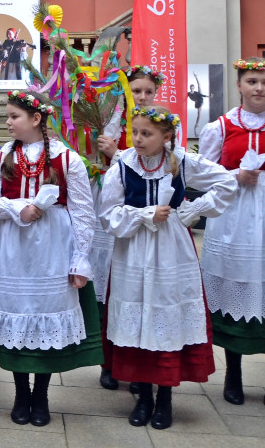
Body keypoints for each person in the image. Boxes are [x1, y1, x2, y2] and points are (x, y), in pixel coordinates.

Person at [0, 90, 101, 427]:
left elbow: (84, 212)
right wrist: (17, 209)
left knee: (45, 316)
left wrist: (81, 259)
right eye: (8, 116)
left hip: (52, 249)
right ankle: (20, 392)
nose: (8, 122)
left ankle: (40, 394)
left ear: (36, 118)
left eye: (14, 116)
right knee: (16, 314)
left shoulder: (67, 159)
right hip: (10, 250)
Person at [100, 107, 236, 429]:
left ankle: (165, 399)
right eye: (135, 132)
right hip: (133, 251)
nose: (138, 139)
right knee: (138, 319)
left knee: (166, 317)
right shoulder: (123, 165)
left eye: (146, 134)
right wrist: (144, 215)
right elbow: (107, 215)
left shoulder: (183, 162)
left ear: (167, 136)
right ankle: (143, 395)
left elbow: (227, 182)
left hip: (172, 251)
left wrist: (191, 211)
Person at [92, 64, 164, 391]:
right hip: (112, 217)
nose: (144, 97)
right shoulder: (108, 121)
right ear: (124, 91)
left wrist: (117, 152)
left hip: (150, 221)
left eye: (149, 91)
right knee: (111, 291)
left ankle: (139, 368)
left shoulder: (160, 125)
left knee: (142, 293)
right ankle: (110, 363)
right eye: (137, 91)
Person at [198, 57, 265, 407]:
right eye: (252, 81)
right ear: (239, 85)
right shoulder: (220, 127)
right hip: (234, 216)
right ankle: (233, 373)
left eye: (263, 82)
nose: (259, 88)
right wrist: (234, 176)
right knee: (235, 286)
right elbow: (203, 176)